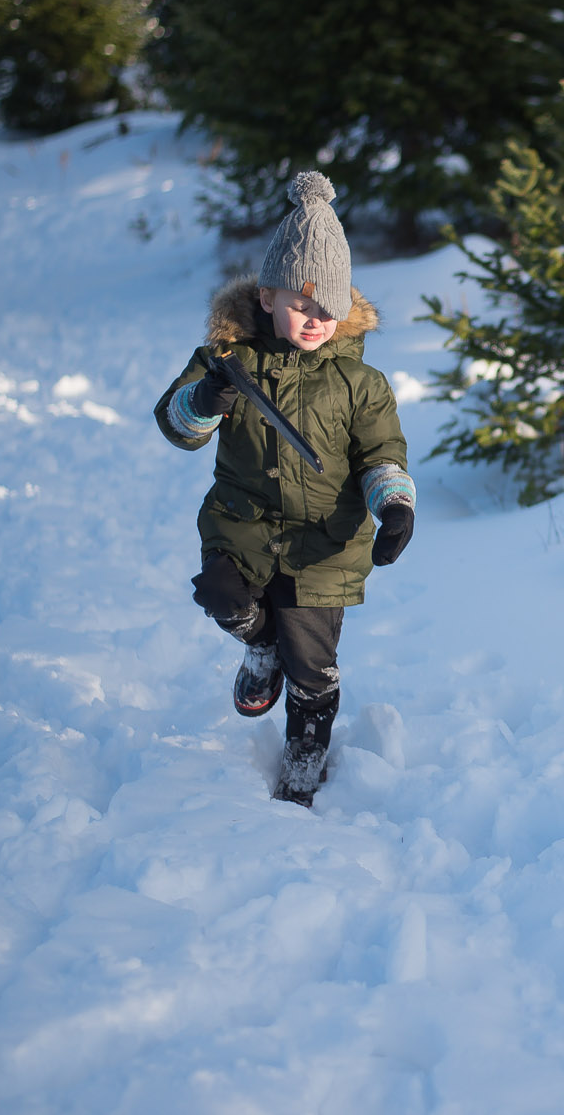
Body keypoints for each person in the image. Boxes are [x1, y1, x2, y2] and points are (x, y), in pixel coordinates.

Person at [154, 171, 415, 804]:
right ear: (267, 296)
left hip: (324, 544)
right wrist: (206, 398)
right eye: (302, 304)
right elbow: (177, 425)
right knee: (220, 594)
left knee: (313, 666)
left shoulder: (362, 384)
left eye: (329, 307)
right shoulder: (228, 360)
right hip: (241, 525)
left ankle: (303, 762)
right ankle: (258, 642)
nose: (316, 319)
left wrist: (395, 506)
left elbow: (381, 454)